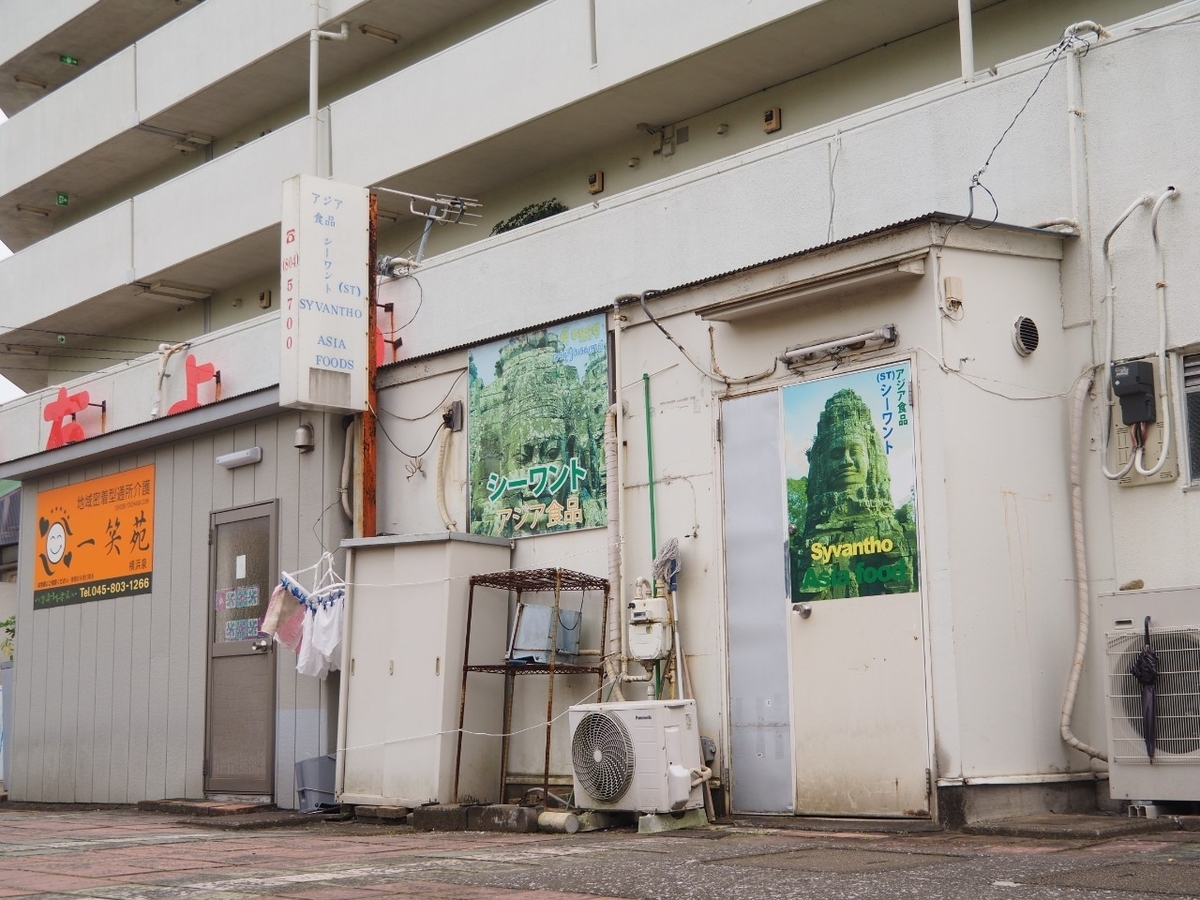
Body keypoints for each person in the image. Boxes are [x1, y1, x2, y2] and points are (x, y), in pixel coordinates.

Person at [793, 388, 917, 600]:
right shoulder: (810, 536)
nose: (846, 461)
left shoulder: (896, 526)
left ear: (873, 457)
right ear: (821, 465)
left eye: (855, 451)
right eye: (836, 454)